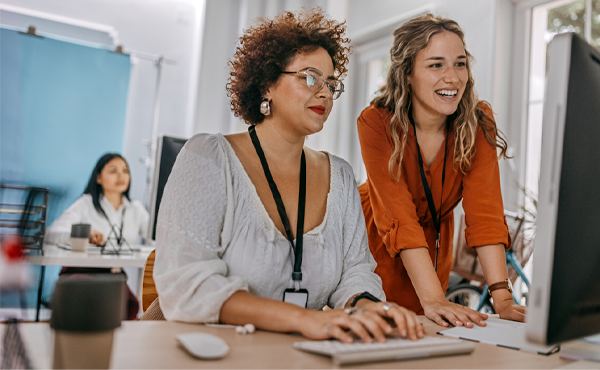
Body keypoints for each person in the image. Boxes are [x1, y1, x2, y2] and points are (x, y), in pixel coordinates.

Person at [153, 8, 424, 343]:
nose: (325, 92)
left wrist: (368, 308)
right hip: (209, 353)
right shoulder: (208, 158)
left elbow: (355, 273)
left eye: (331, 83)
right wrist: (303, 319)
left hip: (300, 355)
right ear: (267, 84)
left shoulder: (339, 175)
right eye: (310, 78)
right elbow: (189, 284)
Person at [357, 14, 526, 328]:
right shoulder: (376, 122)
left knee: (433, 334)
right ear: (407, 73)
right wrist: (433, 298)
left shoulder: (478, 122)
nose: (453, 77)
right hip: (376, 243)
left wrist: (502, 297)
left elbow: (485, 213)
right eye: (437, 65)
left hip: (434, 247)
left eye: (460, 64)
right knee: (384, 336)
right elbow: (399, 218)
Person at [46, 153, 149, 319]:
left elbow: (157, 237)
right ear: (99, 178)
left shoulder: (136, 209)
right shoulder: (86, 204)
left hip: (113, 276)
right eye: (113, 171)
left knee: (129, 307)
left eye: (125, 171)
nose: (121, 176)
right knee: (93, 307)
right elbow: (52, 234)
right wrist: (83, 233)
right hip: (80, 271)